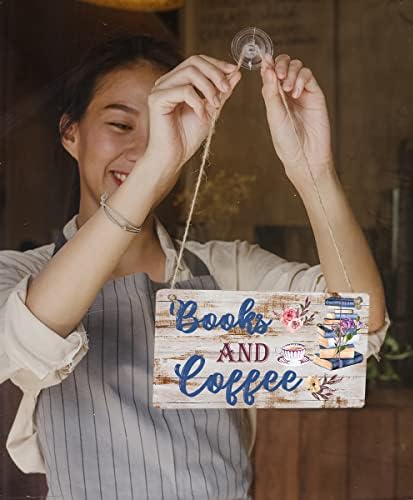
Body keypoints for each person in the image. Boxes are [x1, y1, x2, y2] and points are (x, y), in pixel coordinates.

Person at [0, 35, 390, 499]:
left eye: (165, 126)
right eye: (122, 125)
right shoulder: (22, 276)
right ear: (70, 133)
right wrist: (154, 166)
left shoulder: (228, 269)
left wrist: (313, 170)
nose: (143, 147)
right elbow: (26, 335)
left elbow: (351, 333)